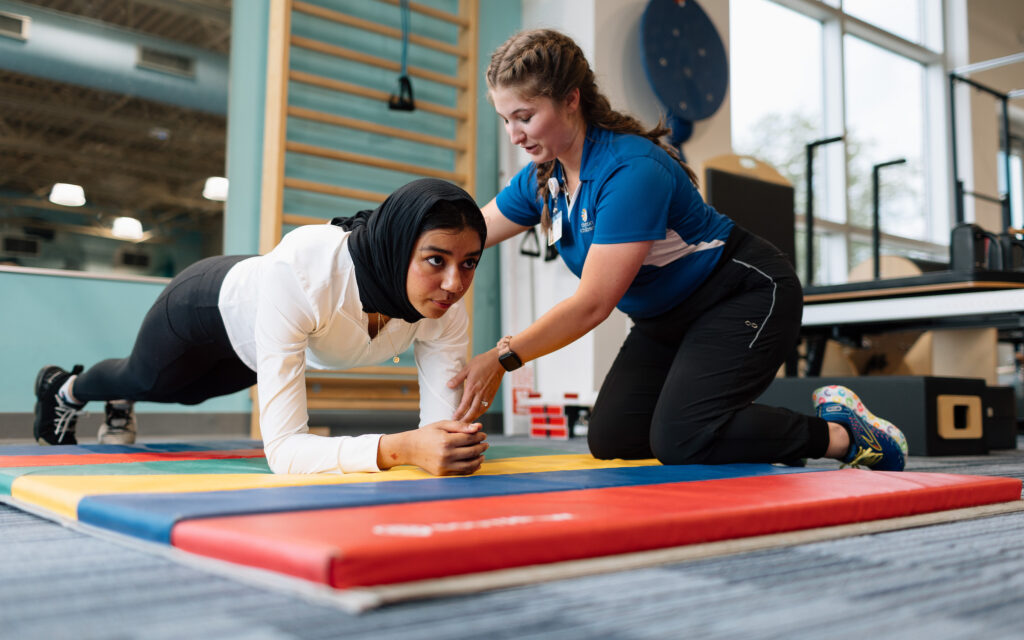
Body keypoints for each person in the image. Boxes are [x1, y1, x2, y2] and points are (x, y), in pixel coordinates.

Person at [447, 29, 906, 471]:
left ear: (571, 100)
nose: (514, 135)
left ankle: (843, 435)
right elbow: (470, 231)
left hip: (743, 293)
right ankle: (716, 426)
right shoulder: (543, 179)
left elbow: (592, 305)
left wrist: (504, 357)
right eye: (505, 119)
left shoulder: (629, 171)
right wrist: (399, 251)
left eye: (525, 117)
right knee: (615, 440)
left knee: (681, 437)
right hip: (664, 320)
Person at [33, 178, 490, 476]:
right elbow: (286, 454)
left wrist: (440, 447)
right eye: (436, 259)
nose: (454, 284)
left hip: (255, 339)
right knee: (146, 378)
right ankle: (66, 388)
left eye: (469, 263)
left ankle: (114, 393)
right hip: (203, 306)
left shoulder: (444, 306)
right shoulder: (305, 272)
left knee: (192, 393)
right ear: (398, 246)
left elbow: (438, 434)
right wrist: (399, 449)